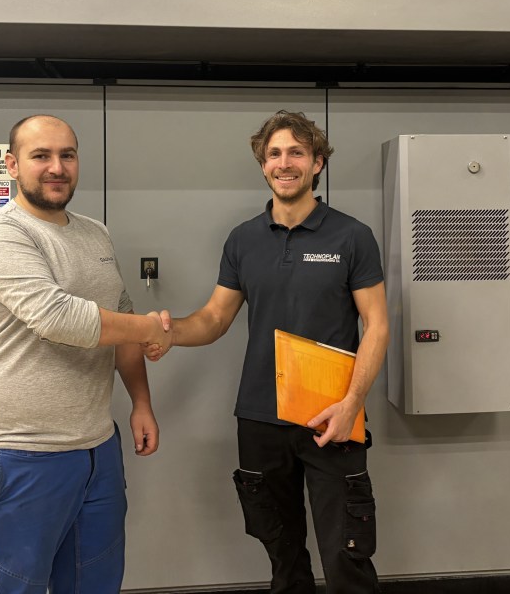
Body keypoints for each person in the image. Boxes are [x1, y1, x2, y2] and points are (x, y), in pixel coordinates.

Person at [147, 110, 389, 594]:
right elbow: (215, 319)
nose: (284, 163)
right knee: (284, 558)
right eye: (274, 154)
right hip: (260, 419)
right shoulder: (243, 239)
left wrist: (352, 404)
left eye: (297, 152)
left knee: (347, 559)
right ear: (263, 165)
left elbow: (377, 325)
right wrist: (171, 334)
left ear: (317, 163)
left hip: (332, 417)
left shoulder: (352, 236)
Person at [0, 114, 170, 594]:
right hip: (14, 452)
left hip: (94, 447)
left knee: (96, 584)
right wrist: (154, 328)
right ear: (12, 165)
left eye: (67, 155)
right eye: (41, 156)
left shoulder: (95, 233)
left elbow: (120, 319)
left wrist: (141, 402)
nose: (57, 167)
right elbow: (60, 318)